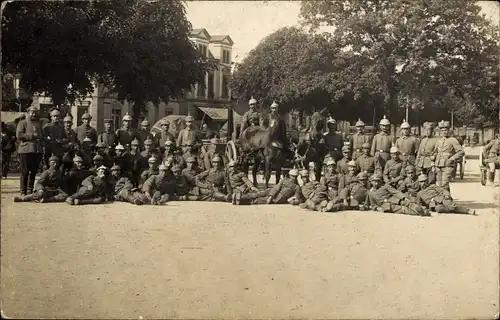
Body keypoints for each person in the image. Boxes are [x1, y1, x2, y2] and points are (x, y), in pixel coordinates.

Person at [16, 106, 44, 195]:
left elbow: (41, 136)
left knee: (34, 172)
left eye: (35, 112)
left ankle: (30, 190)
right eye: (32, 112)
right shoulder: (22, 123)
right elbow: (19, 135)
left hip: (36, 151)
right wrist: (31, 136)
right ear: (28, 113)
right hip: (25, 150)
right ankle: (23, 191)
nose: (34, 114)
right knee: (24, 172)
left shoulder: (39, 124)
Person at [434, 120, 464, 191]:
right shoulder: (439, 141)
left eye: (446, 130)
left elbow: (461, 152)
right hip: (438, 165)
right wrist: (433, 160)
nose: (444, 132)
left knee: (444, 184)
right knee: (439, 184)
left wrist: (452, 158)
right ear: (440, 132)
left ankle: (446, 200)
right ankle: (445, 199)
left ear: (448, 131)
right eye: (442, 130)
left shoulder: (453, 140)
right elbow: (435, 152)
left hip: (448, 165)